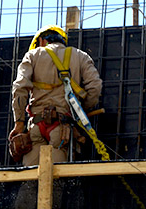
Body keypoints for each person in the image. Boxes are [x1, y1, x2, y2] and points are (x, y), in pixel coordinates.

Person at [10, 25, 102, 165]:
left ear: (41, 41)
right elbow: (95, 86)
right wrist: (80, 111)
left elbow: (19, 87)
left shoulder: (33, 55)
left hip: (36, 127)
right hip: (62, 128)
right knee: (57, 179)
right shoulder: (80, 56)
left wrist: (19, 123)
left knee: (30, 178)